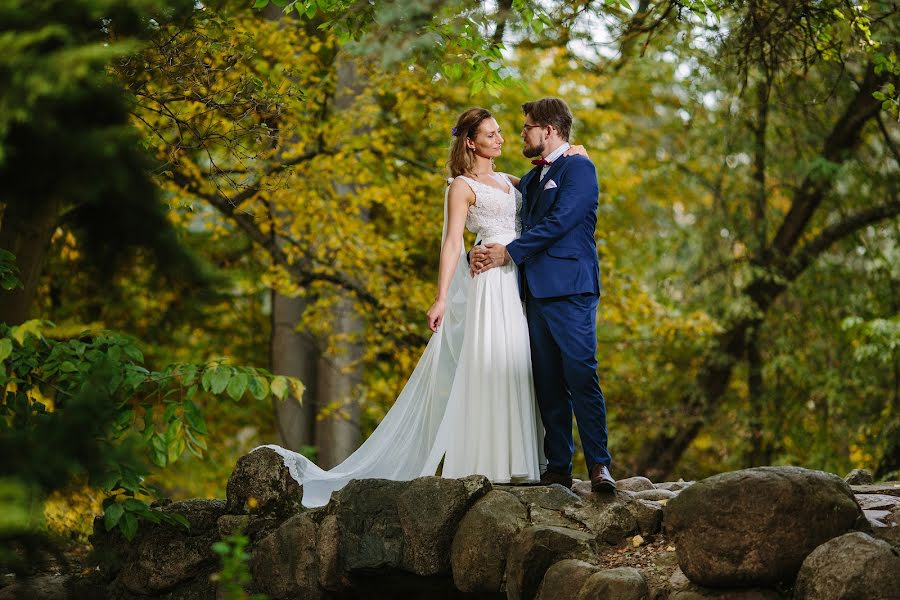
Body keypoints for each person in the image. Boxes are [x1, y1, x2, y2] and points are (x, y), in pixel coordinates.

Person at [260, 107, 581, 507]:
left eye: (501, 133)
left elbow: (549, 182)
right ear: (470, 142)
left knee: (517, 362)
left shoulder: (511, 180)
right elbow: (451, 243)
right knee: (487, 362)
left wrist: (576, 151)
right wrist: (442, 296)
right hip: (488, 285)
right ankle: (487, 462)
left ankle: (521, 463)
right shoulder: (461, 187)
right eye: (491, 134)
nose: (501, 139)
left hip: (516, 279)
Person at [471, 97, 616, 493]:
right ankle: (558, 466)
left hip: (571, 289)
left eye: (527, 127)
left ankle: (600, 466)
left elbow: (562, 220)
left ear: (548, 130)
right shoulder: (532, 180)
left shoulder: (580, 168)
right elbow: (500, 205)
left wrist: (509, 253)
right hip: (532, 294)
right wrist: (481, 244)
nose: (521, 134)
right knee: (547, 381)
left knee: (581, 374)